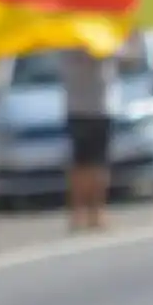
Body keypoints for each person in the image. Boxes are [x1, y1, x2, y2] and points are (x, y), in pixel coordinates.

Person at [59, 46, 117, 230]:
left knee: (98, 164)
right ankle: (79, 212)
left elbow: (129, 57)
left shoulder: (104, 42)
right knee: (80, 165)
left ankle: (96, 211)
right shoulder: (68, 45)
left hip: (100, 109)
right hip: (79, 110)